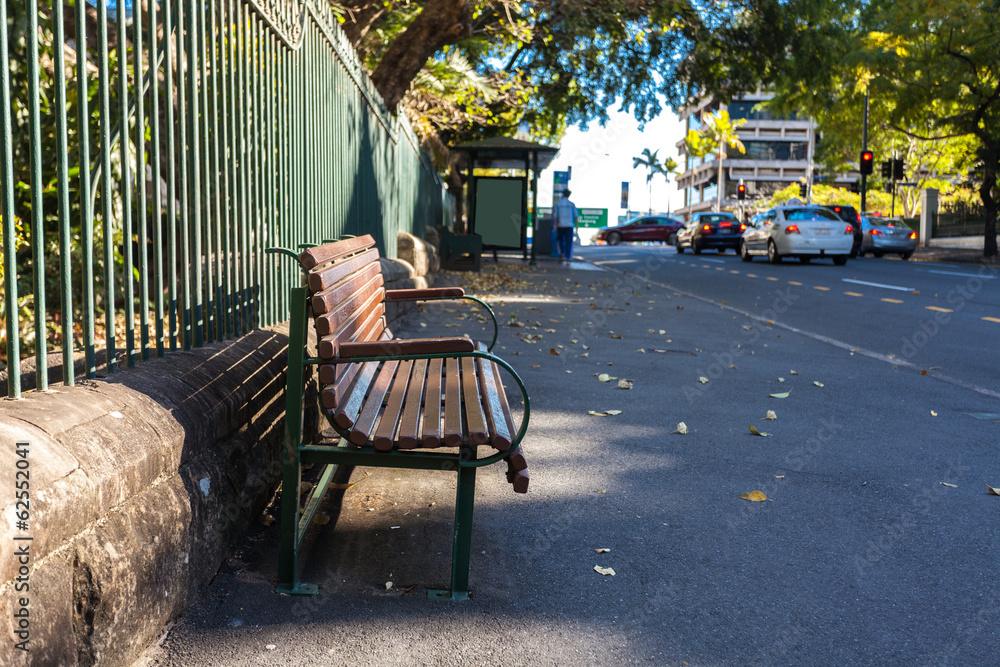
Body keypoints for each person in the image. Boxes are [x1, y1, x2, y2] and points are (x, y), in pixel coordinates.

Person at [552, 189, 579, 264]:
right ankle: (568, 257)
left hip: (560, 225)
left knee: (561, 240)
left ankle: (561, 254)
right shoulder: (571, 204)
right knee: (569, 242)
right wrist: (576, 227)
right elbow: (576, 217)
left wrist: (554, 225)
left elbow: (555, 216)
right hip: (569, 225)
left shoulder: (558, 204)